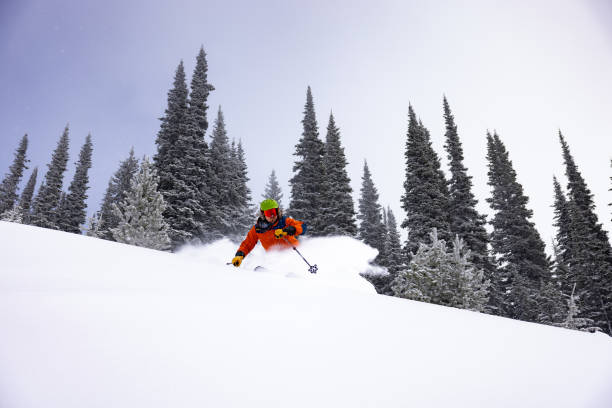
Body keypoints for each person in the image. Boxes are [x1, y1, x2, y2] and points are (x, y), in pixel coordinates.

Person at [231, 199, 306, 267]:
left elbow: (302, 227)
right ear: (263, 214)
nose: (272, 216)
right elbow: (248, 243)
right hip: (275, 260)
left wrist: (288, 230)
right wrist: (240, 255)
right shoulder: (258, 228)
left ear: (277, 211)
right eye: (268, 213)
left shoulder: (284, 221)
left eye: (273, 212)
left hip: (295, 255)